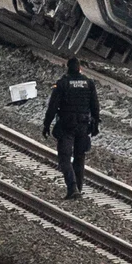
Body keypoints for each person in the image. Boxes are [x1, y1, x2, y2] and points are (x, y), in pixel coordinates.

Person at [43, 57, 100, 198]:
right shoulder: (89, 83)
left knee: (65, 158)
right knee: (80, 158)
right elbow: (95, 106)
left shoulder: (63, 84)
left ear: (67, 68)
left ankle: (72, 188)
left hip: (66, 125)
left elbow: (52, 107)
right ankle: (78, 190)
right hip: (83, 125)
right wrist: (95, 124)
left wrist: (46, 124)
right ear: (80, 69)